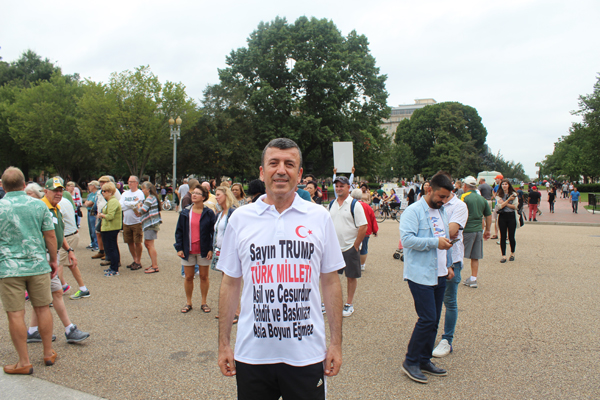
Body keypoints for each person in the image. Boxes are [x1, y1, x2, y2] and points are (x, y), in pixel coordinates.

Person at [217, 138, 344, 399]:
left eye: (289, 164)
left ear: (299, 174)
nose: (281, 170)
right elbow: (230, 282)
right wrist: (224, 344)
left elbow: (331, 281)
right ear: (262, 172)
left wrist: (336, 343)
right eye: (273, 163)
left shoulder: (319, 217)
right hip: (252, 354)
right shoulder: (240, 219)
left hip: (306, 354)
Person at [0, 168, 58, 374]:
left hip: (9, 267)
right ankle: (48, 351)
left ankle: (24, 361)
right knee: (42, 308)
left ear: (3, 186)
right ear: (24, 185)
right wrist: (53, 260)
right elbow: (50, 236)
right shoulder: (38, 205)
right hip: (37, 264)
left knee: (15, 313)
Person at [399, 172, 454, 384]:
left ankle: (424, 359)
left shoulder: (442, 211)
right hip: (420, 274)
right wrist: (434, 243)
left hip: (439, 273)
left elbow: (446, 239)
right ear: (429, 188)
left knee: (434, 320)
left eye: (447, 198)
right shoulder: (413, 211)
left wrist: (448, 264)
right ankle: (410, 360)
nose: (443, 201)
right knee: (427, 318)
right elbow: (407, 240)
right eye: (441, 196)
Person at [27, 177, 90, 344]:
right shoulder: (40, 208)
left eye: (60, 190)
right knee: (50, 295)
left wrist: (69, 249)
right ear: (45, 191)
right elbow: (47, 235)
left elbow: (57, 232)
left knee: (50, 294)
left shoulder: (55, 208)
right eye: (55, 190)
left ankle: (34, 331)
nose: (59, 193)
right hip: (44, 257)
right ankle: (69, 329)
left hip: (49, 257)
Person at [432, 172, 468, 358]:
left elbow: (453, 232)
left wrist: (429, 232)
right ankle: (430, 335)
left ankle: (447, 339)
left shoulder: (459, 206)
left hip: (452, 259)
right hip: (431, 258)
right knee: (431, 300)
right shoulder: (432, 204)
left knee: (449, 300)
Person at [329, 175, 367, 317]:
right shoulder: (332, 204)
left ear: (348, 187)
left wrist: (355, 246)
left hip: (349, 247)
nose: (339, 188)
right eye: (337, 186)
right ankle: (332, 302)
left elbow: (363, 226)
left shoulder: (355, 204)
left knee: (351, 277)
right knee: (332, 277)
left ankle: (349, 304)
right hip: (334, 248)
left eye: (342, 186)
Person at [174, 185, 215, 314]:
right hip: (188, 249)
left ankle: (204, 302)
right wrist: (179, 247)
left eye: (198, 193)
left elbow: (213, 232)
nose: (194, 195)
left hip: (203, 249)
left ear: (204, 197)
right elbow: (179, 231)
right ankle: (188, 302)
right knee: (188, 277)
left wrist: (210, 249)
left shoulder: (208, 213)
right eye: (193, 193)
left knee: (204, 276)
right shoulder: (185, 212)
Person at [54, 186, 91, 300]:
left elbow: (57, 225)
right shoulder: (65, 201)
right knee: (71, 264)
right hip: (71, 235)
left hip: (67, 237)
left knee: (57, 265)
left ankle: (54, 293)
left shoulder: (59, 204)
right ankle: (82, 288)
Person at [211, 186, 239, 322]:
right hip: (220, 250)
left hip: (230, 251)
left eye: (218, 195)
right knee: (225, 280)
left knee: (230, 281)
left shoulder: (233, 213)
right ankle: (229, 310)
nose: (216, 197)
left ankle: (235, 312)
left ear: (226, 196)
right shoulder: (220, 213)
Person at [460, 176, 492, 288]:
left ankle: (455, 277)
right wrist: (487, 229)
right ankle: (473, 278)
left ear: (465, 185)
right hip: (478, 229)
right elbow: (488, 215)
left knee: (459, 254)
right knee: (475, 256)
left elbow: (459, 211)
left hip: (466, 229)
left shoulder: (464, 197)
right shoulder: (482, 199)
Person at [92, 176, 121, 262]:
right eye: (100, 182)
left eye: (104, 182)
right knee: (99, 234)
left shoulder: (114, 194)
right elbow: (98, 202)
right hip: (101, 215)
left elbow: (114, 209)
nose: (102, 184)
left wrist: (103, 215)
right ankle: (102, 251)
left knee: (111, 242)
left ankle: (111, 259)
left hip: (108, 219)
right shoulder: (99, 192)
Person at [135, 181, 162, 274]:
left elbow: (142, 211)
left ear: (148, 189)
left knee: (149, 245)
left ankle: (155, 266)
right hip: (150, 224)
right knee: (148, 244)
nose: (142, 190)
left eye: (143, 188)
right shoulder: (152, 198)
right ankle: (153, 264)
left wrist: (138, 205)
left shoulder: (150, 198)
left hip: (150, 224)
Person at [120, 176, 145, 270]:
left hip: (136, 222)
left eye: (132, 181)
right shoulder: (124, 194)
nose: (129, 183)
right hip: (126, 222)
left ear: (136, 183)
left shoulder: (140, 193)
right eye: (129, 181)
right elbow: (121, 205)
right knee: (129, 241)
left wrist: (127, 204)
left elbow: (137, 205)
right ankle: (134, 259)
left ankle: (138, 260)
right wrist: (130, 204)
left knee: (137, 241)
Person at [98, 182, 123, 276]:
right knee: (110, 247)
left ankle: (115, 268)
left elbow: (110, 216)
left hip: (111, 228)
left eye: (104, 191)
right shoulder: (110, 201)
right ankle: (112, 266)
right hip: (108, 228)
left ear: (110, 192)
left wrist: (101, 215)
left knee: (112, 248)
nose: (103, 193)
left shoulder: (113, 202)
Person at [351, 188, 378, 272]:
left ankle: (351, 263)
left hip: (352, 230)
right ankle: (362, 265)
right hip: (366, 230)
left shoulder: (350, 205)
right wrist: (375, 230)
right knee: (364, 248)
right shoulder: (367, 206)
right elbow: (372, 218)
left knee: (351, 247)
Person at [495, 179, 518, 263]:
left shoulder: (513, 194)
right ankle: (503, 255)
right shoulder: (499, 195)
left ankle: (512, 253)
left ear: (509, 185)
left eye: (506, 184)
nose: (504, 185)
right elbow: (500, 206)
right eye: (503, 184)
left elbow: (515, 206)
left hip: (511, 216)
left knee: (511, 236)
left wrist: (505, 203)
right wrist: (508, 201)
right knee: (503, 236)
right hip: (502, 216)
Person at [84, 181, 99, 251]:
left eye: (90, 185)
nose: (89, 187)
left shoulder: (97, 194)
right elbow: (86, 202)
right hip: (88, 211)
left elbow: (91, 203)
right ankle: (92, 243)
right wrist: (87, 203)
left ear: (93, 186)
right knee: (90, 228)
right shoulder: (90, 194)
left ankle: (96, 244)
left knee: (94, 228)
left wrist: (88, 203)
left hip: (93, 212)